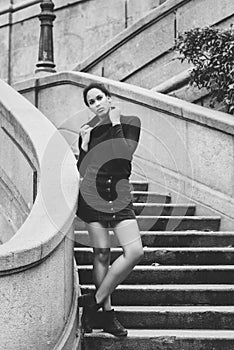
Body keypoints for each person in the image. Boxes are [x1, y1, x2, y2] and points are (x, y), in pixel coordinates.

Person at [76, 82, 144, 337]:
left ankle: (92, 303)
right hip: (92, 197)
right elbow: (82, 169)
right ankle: (107, 313)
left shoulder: (130, 121)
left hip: (120, 196)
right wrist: (83, 146)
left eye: (99, 98)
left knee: (135, 251)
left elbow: (124, 154)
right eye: (91, 102)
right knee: (101, 255)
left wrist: (115, 123)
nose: (96, 104)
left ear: (109, 97)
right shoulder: (89, 130)